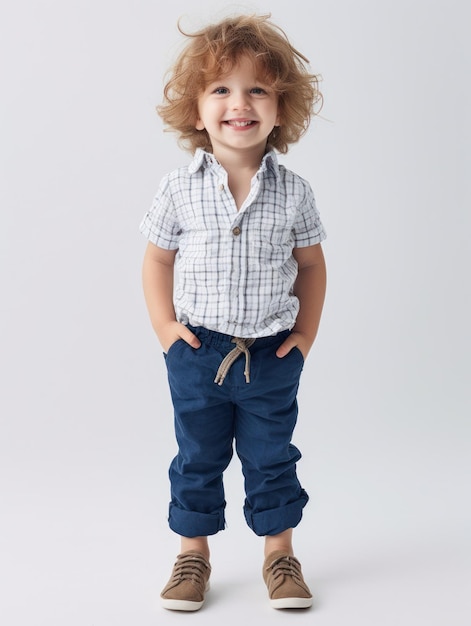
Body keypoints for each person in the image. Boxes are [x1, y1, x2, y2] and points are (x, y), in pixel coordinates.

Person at [140, 13, 327, 611]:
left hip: (271, 356)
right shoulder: (178, 188)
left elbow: (313, 266)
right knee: (197, 455)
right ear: (197, 111)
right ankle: (192, 554)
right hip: (197, 354)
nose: (238, 103)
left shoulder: (294, 192)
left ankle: (280, 554)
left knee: (272, 456)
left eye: (257, 89)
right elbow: (157, 260)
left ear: (279, 109)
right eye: (221, 88)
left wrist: (304, 334)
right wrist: (167, 330)